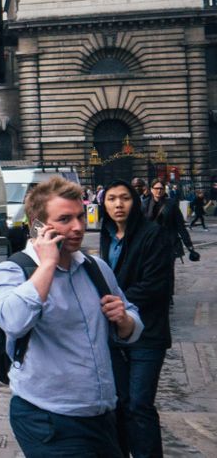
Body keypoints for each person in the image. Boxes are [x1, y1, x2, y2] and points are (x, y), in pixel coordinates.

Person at [0, 177, 142, 456]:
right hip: (48, 419)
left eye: (80, 216)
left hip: (103, 414)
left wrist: (125, 321)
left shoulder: (96, 268)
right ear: (38, 226)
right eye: (65, 219)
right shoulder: (11, 272)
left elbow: (132, 319)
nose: (78, 227)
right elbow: (13, 321)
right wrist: (47, 263)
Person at [97, 180, 172, 458]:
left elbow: (156, 285)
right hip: (116, 333)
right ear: (103, 204)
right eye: (112, 199)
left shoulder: (152, 234)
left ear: (135, 202)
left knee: (140, 404)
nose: (118, 204)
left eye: (125, 198)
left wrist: (116, 301)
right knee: (119, 402)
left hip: (148, 333)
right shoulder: (106, 234)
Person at [143, 178, 198, 262]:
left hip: (168, 244)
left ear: (164, 190)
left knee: (167, 272)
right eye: (156, 188)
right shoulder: (144, 204)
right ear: (151, 189)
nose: (159, 191)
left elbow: (180, 226)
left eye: (161, 188)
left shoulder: (171, 204)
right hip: (150, 244)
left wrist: (189, 246)